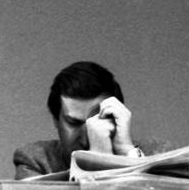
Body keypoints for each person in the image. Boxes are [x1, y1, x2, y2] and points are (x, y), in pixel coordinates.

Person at [13, 61, 165, 179]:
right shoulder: (35, 160)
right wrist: (98, 161)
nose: (88, 135)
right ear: (55, 120)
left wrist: (127, 151)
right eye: (74, 123)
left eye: (100, 119)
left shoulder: (159, 155)